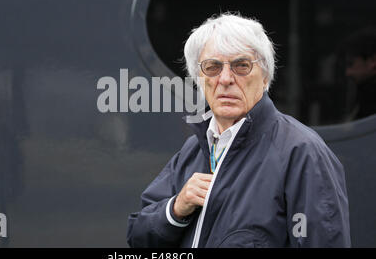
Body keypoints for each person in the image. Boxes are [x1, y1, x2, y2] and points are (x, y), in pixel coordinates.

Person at [126, 13, 351, 247]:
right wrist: (175, 209)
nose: (225, 79)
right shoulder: (195, 148)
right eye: (212, 67)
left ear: (265, 77)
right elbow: (138, 237)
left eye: (241, 66)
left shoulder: (302, 151)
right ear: (199, 79)